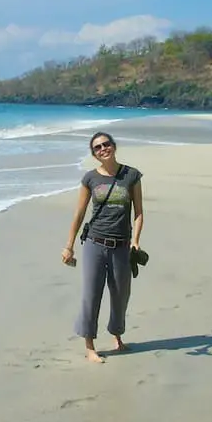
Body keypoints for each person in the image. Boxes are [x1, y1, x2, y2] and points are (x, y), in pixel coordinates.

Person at [62, 131, 144, 363]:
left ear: (114, 146)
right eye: (97, 148)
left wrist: (136, 240)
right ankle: (89, 346)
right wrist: (69, 246)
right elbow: (78, 214)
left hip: (121, 245)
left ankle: (117, 336)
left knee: (120, 294)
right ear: (94, 154)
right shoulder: (90, 178)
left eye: (106, 144)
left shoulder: (132, 175)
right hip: (94, 244)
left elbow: (138, 213)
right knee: (91, 294)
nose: (103, 149)